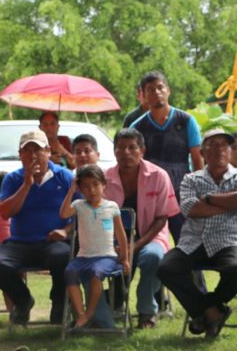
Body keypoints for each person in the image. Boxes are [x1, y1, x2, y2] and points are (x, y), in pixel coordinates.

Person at [157, 129, 237, 339]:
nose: (219, 149)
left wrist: (210, 198)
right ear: (202, 152)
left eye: (224, 145)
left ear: (229, 151)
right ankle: (211, 311)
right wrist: (230, 202)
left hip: (230, 239)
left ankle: (208, 309)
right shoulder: (191, 179)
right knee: (166, 267)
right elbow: (190, 209)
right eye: (213, 144)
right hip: (195, 240)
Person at [0, 130, 77, 325]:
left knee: (62, 256)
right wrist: (27, 184)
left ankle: (59, 304)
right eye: (27, 150)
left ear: (48, 151)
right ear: (20, 154)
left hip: (52, 242)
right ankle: (23, 300)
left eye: (38, 149)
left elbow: (81, 212)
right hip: (20, 243)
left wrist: (66, 231)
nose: (33, 155)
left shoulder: (65, 177)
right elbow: (5, 213)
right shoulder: (12, 179)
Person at [104, 128, 180, 328]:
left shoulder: (158, 176)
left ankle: (147, 312)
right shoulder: (105, 178)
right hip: (114, 240)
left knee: (153, 257)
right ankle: (108, 305)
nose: (126, 152)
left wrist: (135, 245)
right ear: (114, 151)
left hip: (150, 236)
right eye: (121, 148)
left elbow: (162, 218)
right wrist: (120, 245)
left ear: (142, 151)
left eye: (132, 147)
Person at [131, 71, 204, 242]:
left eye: (160, 87)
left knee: (186, 241)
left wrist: (199, 191)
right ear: (143, 96)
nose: (156, 92)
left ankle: (193, 270)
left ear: (168, 90)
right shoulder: (137, 127)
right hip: (151, 192)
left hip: (182, 190)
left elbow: (197, 159)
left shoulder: (186, 121)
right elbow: (133, 164)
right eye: (150, 89)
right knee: (148, 242)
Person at [60, 165, 130, 329]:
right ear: (80, 188)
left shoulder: (111, 207)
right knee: (69, 272)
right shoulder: (79, 205)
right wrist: (71, 191)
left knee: (96, 273)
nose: (91, 190)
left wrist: (125, 258)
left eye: (95, 184)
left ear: (104, 184)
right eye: (85, 186)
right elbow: (63, 214)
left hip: (107, 256)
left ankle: (90, 313)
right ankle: (81, 314)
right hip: (83, 256)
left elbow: (121, 235)